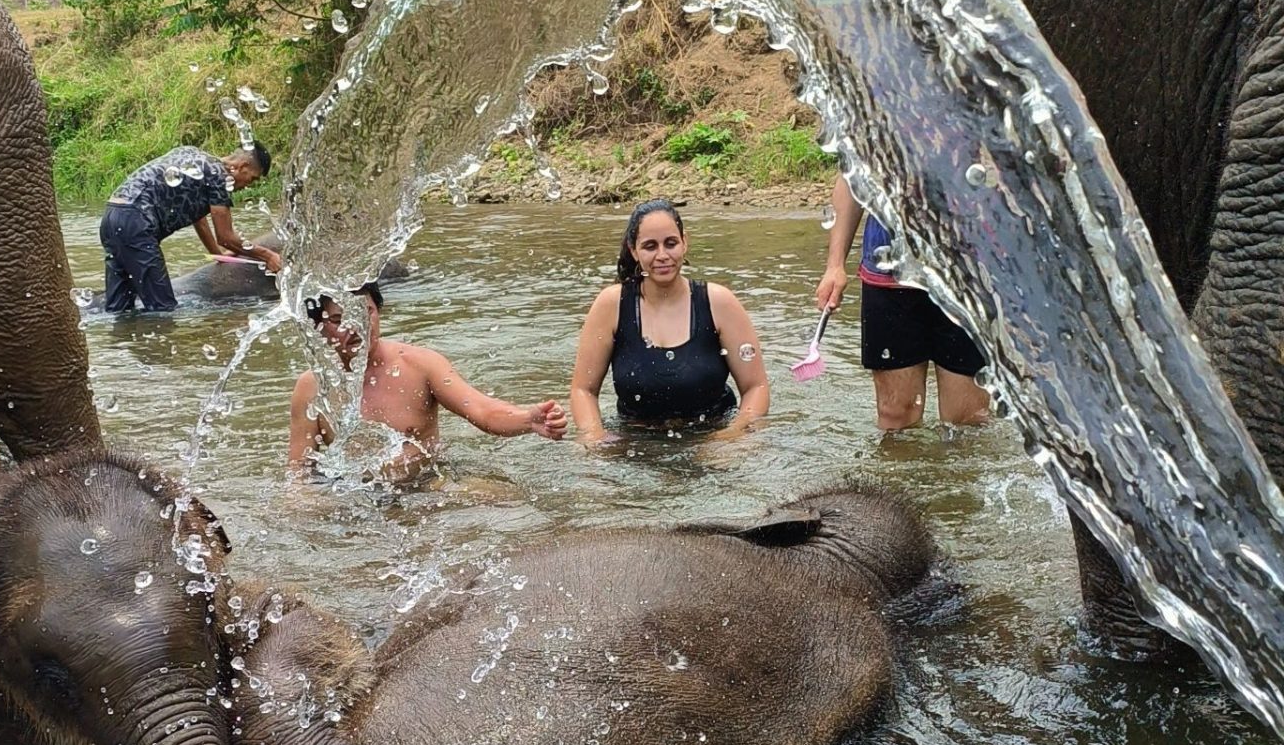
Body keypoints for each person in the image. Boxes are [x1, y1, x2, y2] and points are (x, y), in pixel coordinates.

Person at [288, 280, 568, 473]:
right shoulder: (312, 387)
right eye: (338, 320)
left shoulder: (419, 365)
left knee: (499, 497)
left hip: (427, 485)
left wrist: (528, 420)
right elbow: (300, 469)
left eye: (366, 312)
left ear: (378, 312)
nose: (356, 326)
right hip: (354, 497)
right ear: (318, 326)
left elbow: (482, 411)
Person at [569, 199, 769, 445]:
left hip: (712, 436)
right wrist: (593, 436)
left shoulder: (719, 302)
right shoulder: (611, 305)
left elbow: (755, 387)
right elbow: (583, 390)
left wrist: (733, 437)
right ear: (634, 251)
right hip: (636, 440)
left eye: (670, 243)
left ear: (685, 243)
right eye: (650, 246)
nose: (662, 255)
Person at [814, 176, 989, 433]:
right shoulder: (870, 133)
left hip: (966, 275)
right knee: (895, 417)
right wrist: (834, 265)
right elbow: (851, 178)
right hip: (887, 272)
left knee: (968, 422)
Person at [100, 142, 281, 314]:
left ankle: (119, 344)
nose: (248, 186)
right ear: (242, 166)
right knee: (163, 310)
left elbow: (199, 219)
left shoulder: (194, 155)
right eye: (252, 179)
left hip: (112, 216)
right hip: (136, 223)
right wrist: (269, 256)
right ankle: (158, 345)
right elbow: (226, 237)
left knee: (119, 308)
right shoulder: (219, 178)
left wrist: (216, 253)